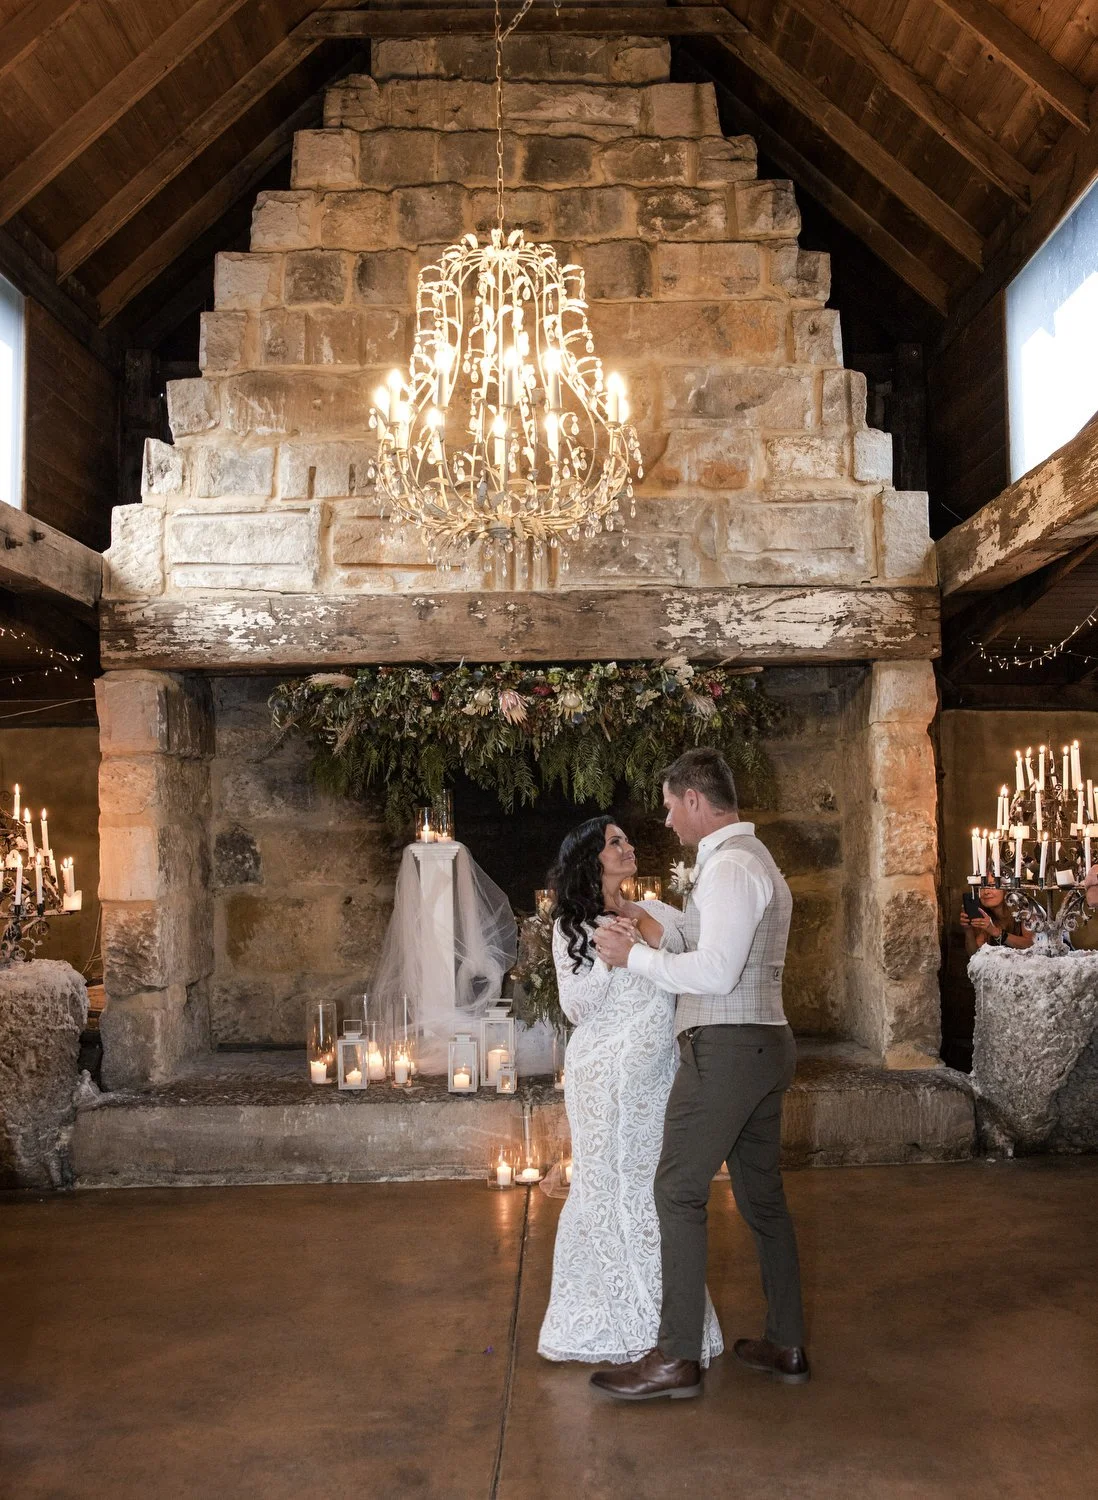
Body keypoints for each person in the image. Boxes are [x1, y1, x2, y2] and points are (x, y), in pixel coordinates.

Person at [590, 747, 807, 1401]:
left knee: (678, 1190)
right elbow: (718, 950)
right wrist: (649, 927)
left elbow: (716, 973)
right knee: (762, 1199)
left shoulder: (730, 868)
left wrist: (632, 959)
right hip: (761, 1045)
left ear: (693, 799)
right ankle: (787, 1341)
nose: (665, 820)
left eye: (668, 805)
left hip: (727, 1052)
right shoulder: (749, 859)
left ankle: (677, 1356)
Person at [537, 815, 723, 1372]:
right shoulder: (571, 925)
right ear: (591, 859)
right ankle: (607, 1321)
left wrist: (641, 928)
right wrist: (604, 957)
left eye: (626, 839)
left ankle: (665, 1329)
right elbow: (576, 1009)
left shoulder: (657, 910)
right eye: (614, 842)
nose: (628, 846)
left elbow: (693, 964)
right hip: (598, 1076)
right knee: (601, 1186)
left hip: (654, 1076)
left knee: (650, 1189)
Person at [959, 884, 1033, 952]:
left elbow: (1030, 944)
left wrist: (995, 931)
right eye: (981, 887)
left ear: (1006, 888)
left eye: (992, 886)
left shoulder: (1023, 910)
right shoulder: (981, 914)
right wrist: (968, 930)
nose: (986, 892)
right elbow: (974, 955)